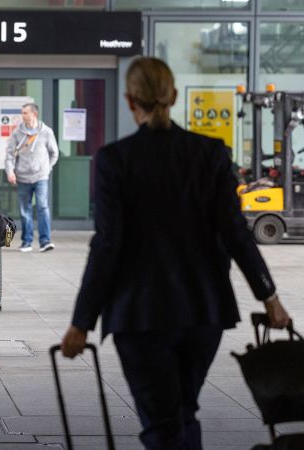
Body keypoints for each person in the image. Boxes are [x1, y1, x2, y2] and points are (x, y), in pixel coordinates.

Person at [59, 57, 291, 450]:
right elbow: (236, 234)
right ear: (175, 96)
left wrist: (82, 322)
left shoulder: (116, 160)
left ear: (130, 100)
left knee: (163, 424)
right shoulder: (211, 154)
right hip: (203, 312)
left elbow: (108, 246)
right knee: (181, 413)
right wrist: (269, 297)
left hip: (140, 315)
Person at [4, 103, 59, 253]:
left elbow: (54, 153)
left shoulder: (46, 132)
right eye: (22, 113)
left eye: (25, 113)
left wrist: (47, 169)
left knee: (42, 207)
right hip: (22, 177)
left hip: (41, 177)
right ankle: (27, 242)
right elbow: (9, 156)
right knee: (25, 210)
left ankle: (45, 241)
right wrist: (10, 172)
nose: (23, 115)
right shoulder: (17, 134)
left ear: (34, 114)